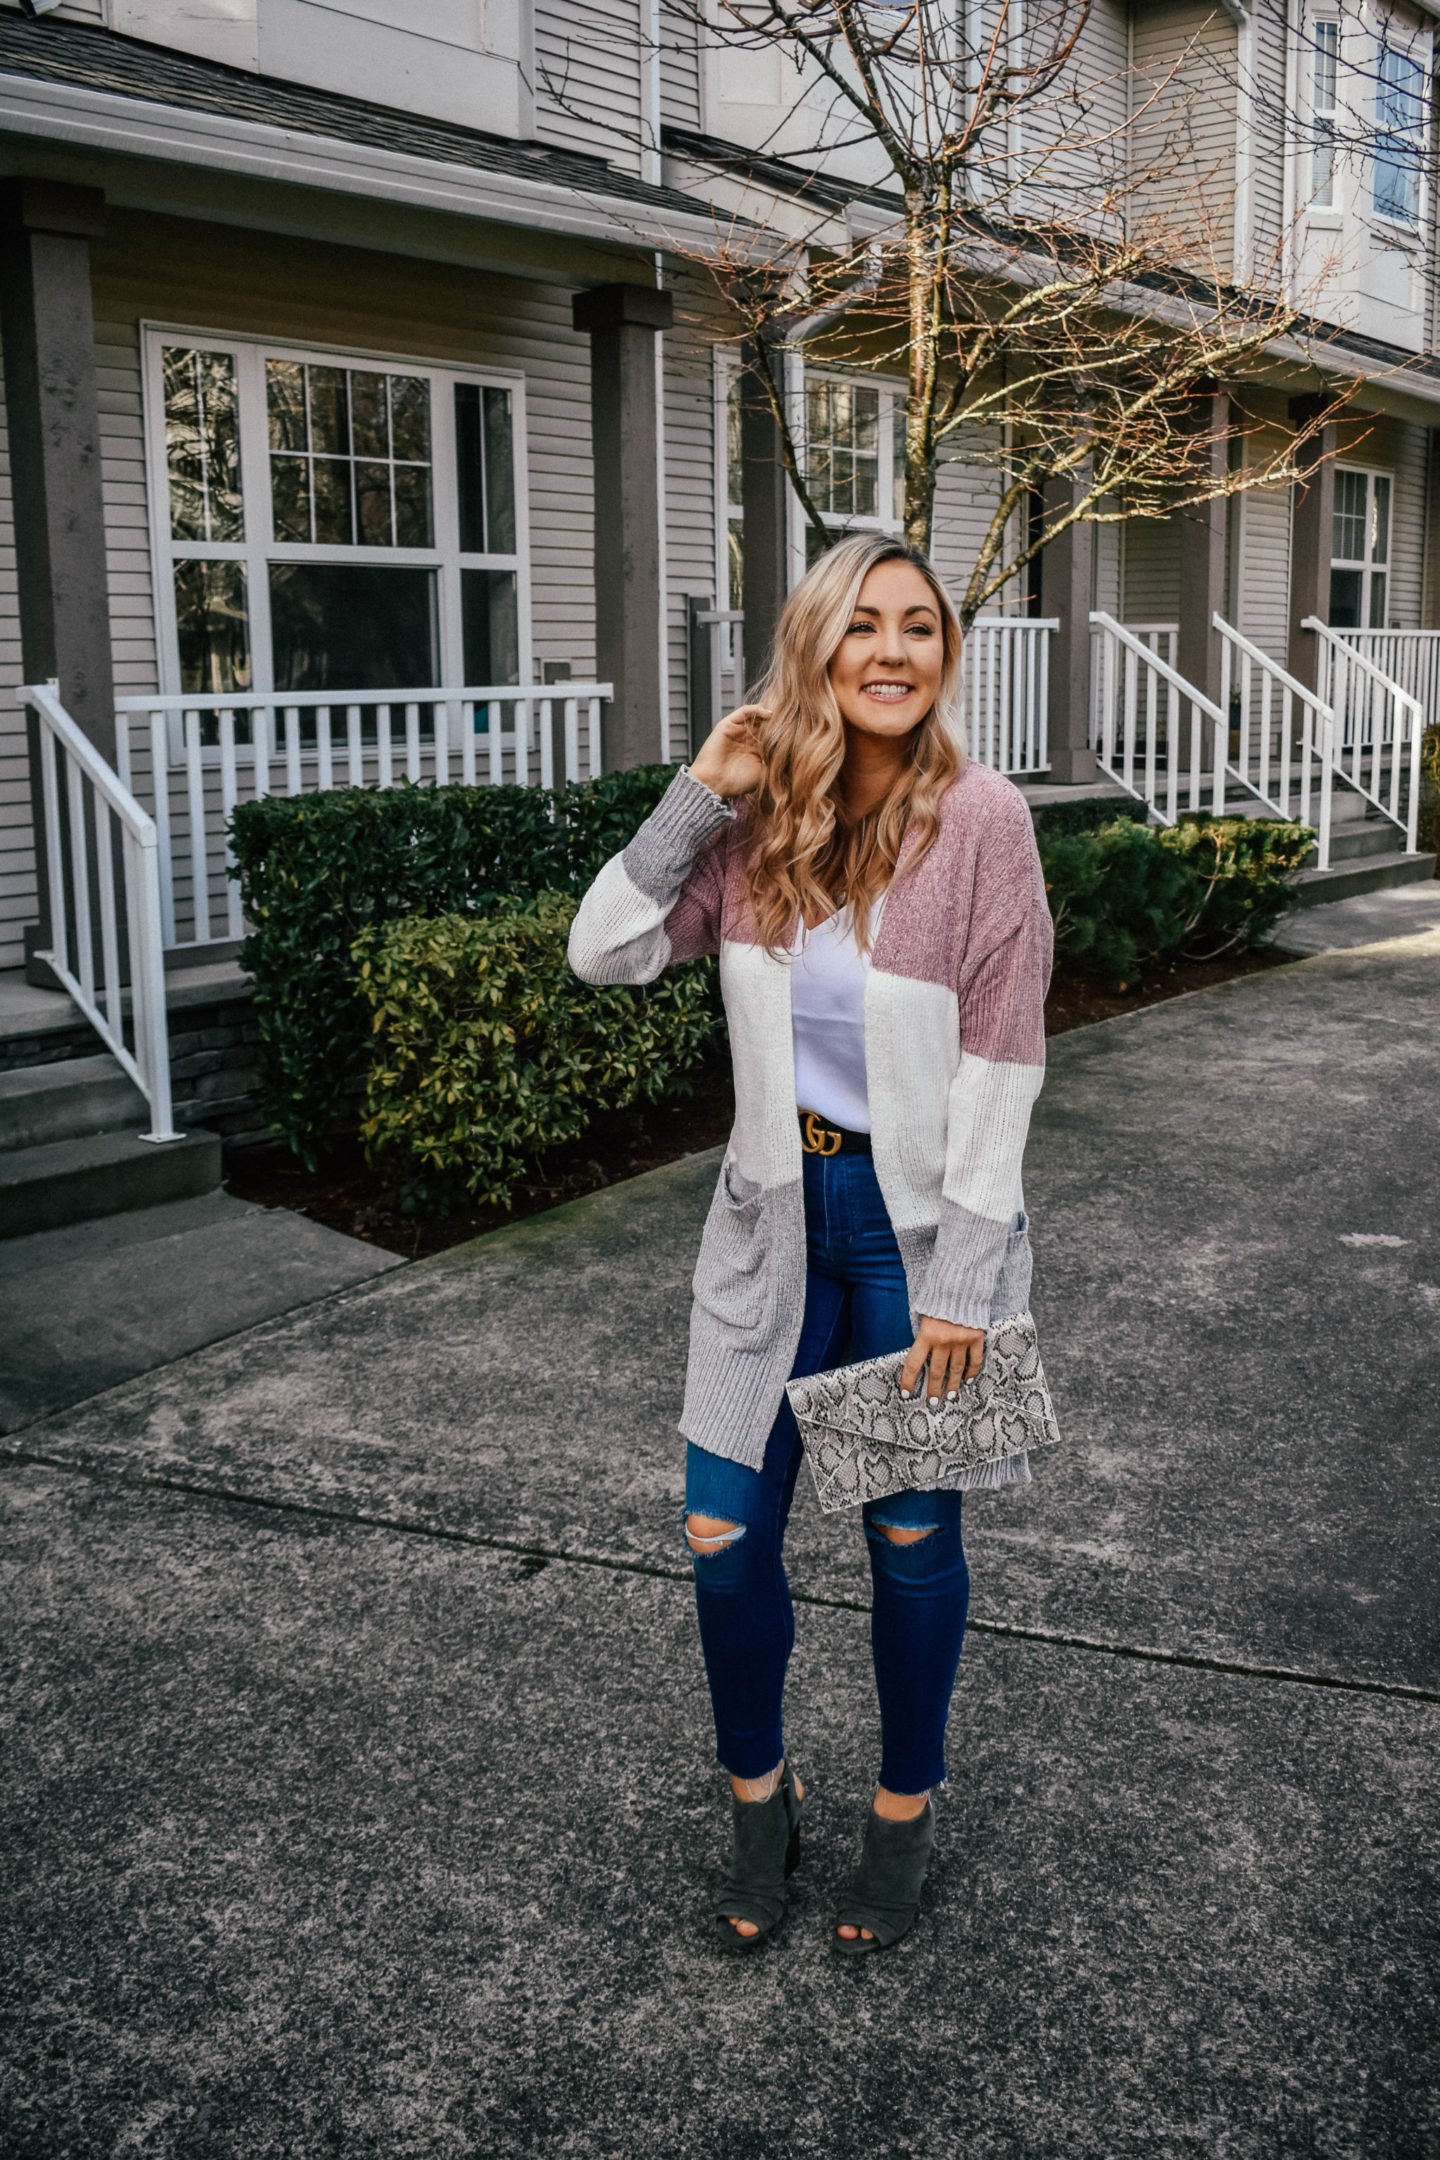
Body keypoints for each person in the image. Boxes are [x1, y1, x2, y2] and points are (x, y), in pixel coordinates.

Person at [568, 531, 1052, 1954]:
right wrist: (695, 795)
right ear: (817, 650)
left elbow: (1005, 1061)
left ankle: (903, 1812)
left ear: (943, 652)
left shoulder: (986, 820)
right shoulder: (751, 829)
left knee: (908, 1538)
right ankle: (757, 1808)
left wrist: (966, 1281)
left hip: (912, 1248)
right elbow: (601, 948)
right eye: (864, 625)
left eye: (920, 625)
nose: (894, 650)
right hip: (770, 1230)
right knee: (723, 1536)